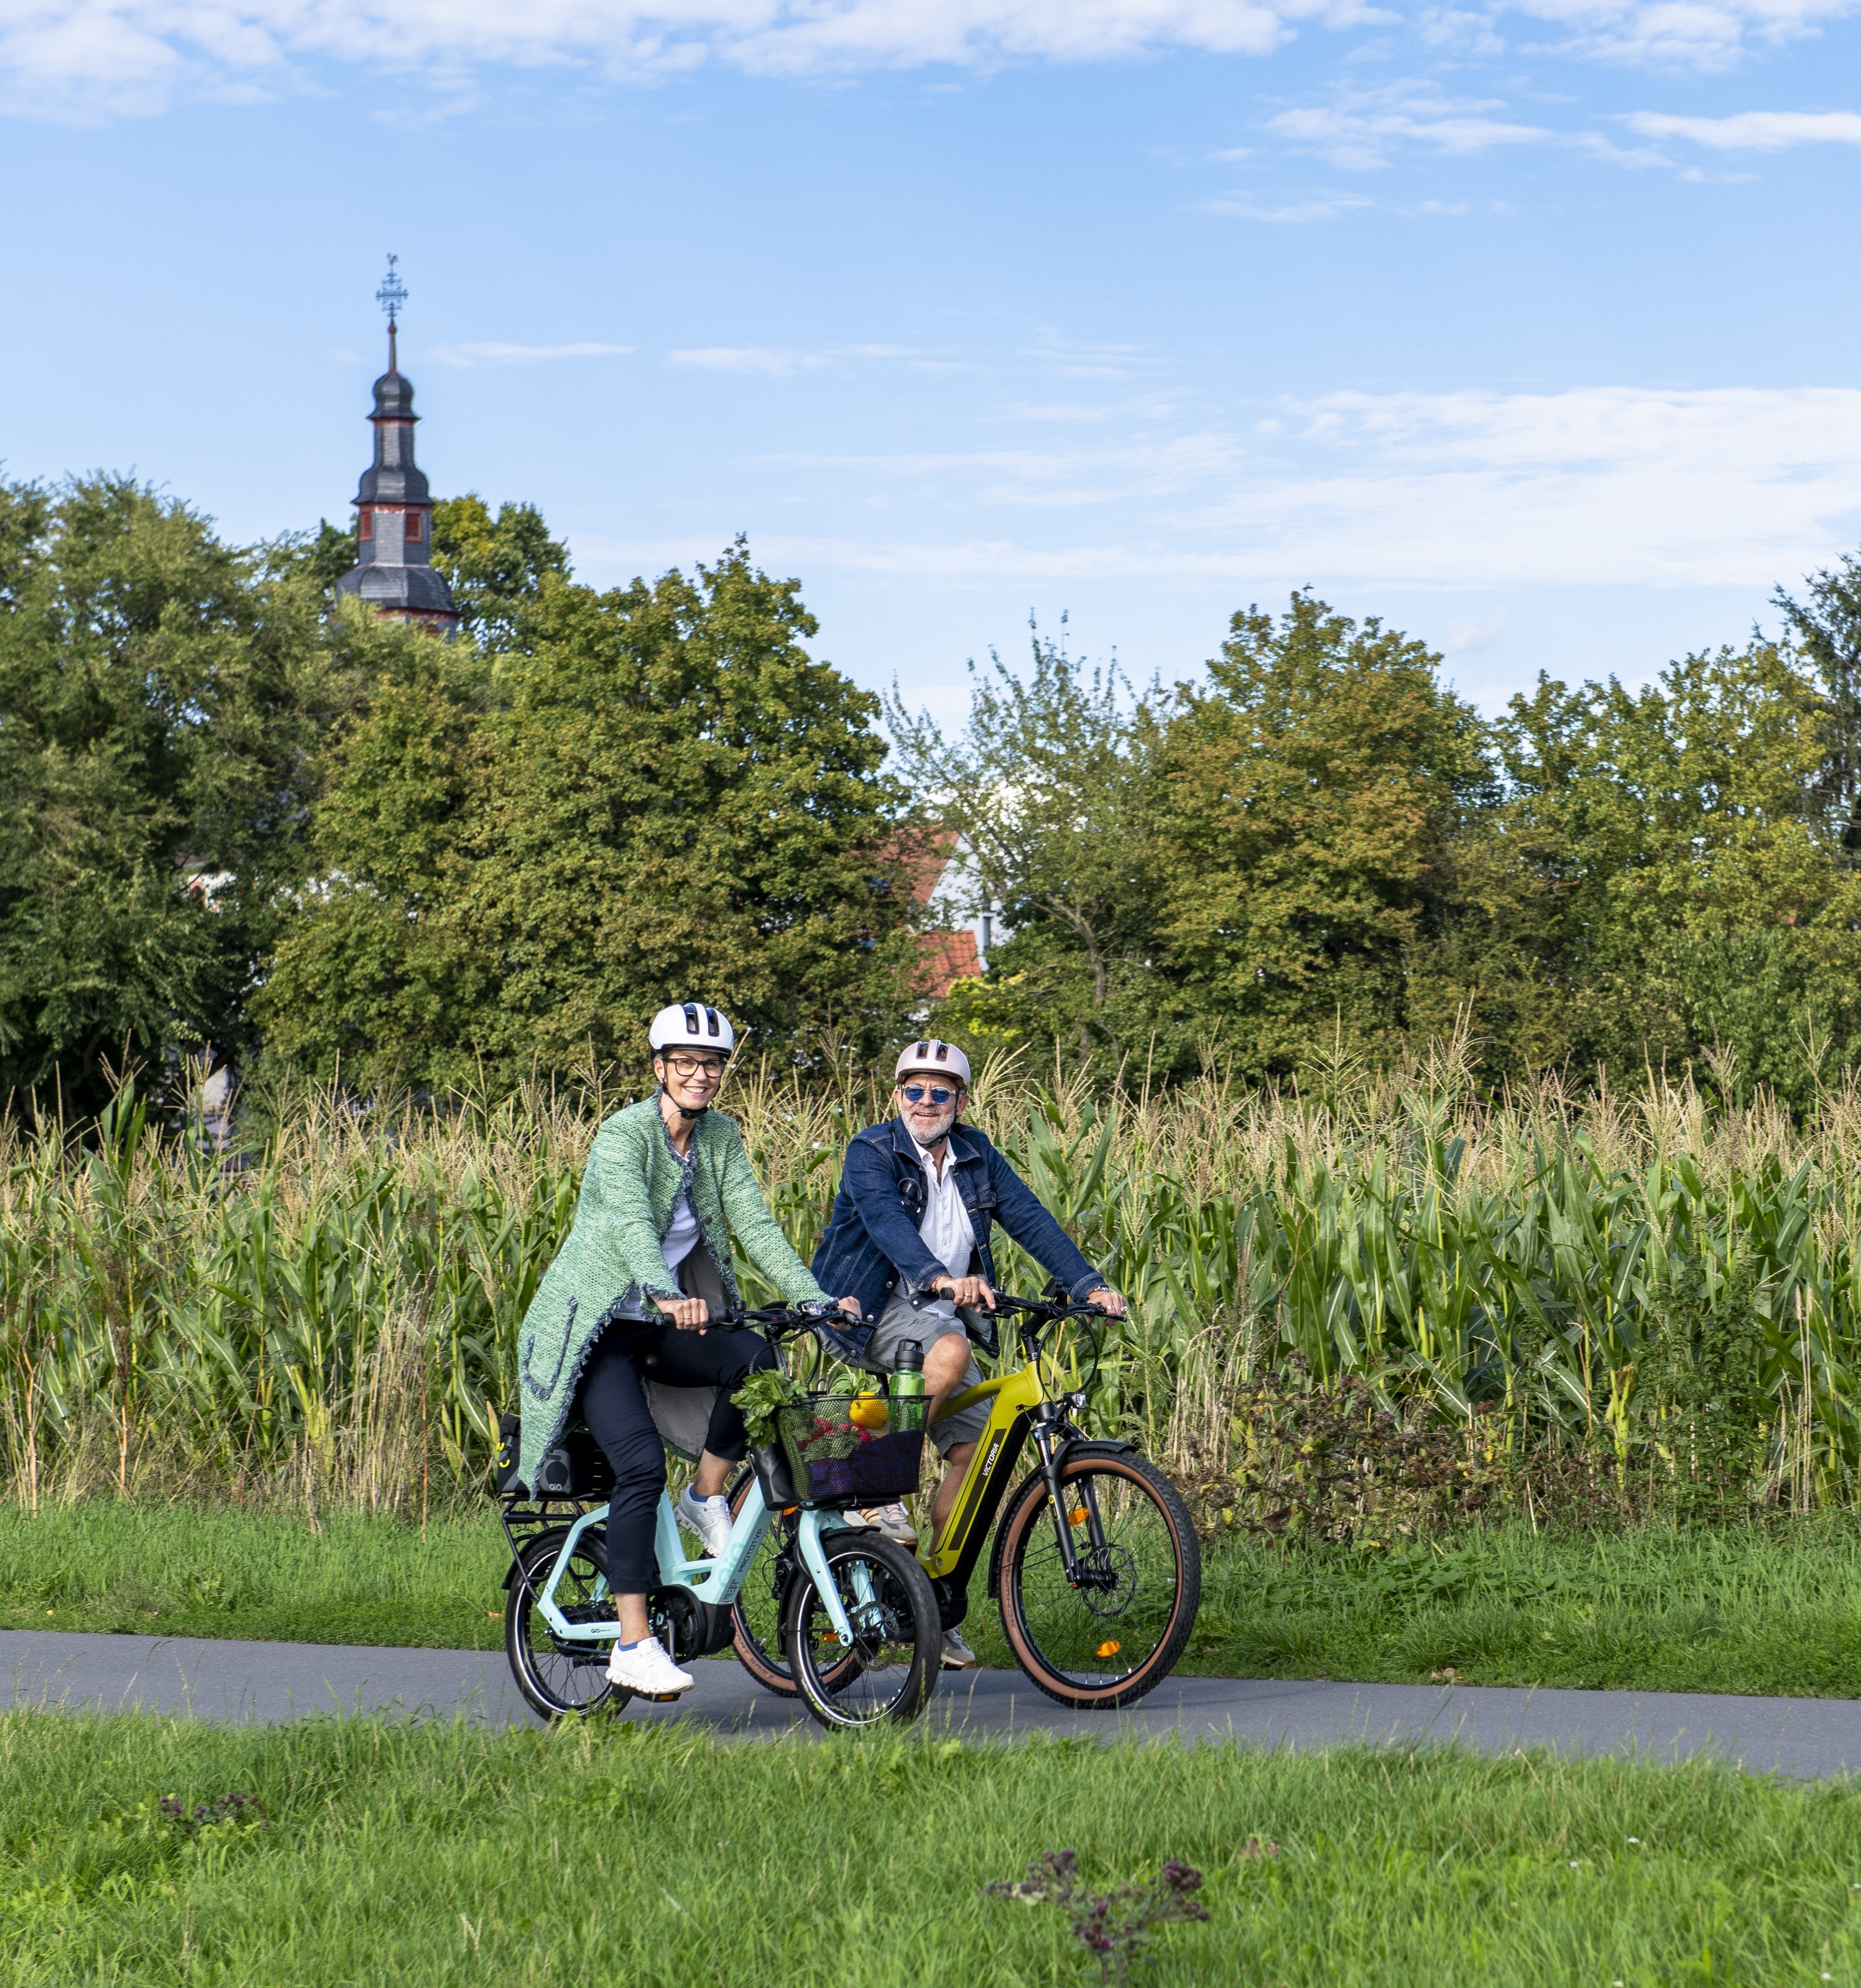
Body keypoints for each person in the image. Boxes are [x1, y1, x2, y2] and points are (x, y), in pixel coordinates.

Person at [515, 1001, 860, 1698]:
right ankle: (634, 1643)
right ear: (659, 1068)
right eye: (687, 1063)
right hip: (595, 1332)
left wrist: (816, 1298)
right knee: (637, 1467)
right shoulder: (623, 1136)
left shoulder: (720, 1137)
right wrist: (664, 1293)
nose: (701, 1076)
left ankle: (704, 1497)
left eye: (712, 1065)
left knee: (753, 1359)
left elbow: (754, 1225)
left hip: (656, 1326)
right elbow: (631, 1224)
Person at [810, 1039, 1126, 1670]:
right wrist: (937, 1277)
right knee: (951, 1350)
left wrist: (1088, 1284)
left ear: (961, 1099)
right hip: (867, 1307)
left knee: (973, 1454)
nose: (926, 1102)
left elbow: (1032, 1221)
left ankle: (925, 1598)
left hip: (938, 1315)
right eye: (914, 1090)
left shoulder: (977, 1157)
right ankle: (871, 1488)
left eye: (940, 1091)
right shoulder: (871, 1151)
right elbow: (884, 1224)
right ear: (897, 1095)